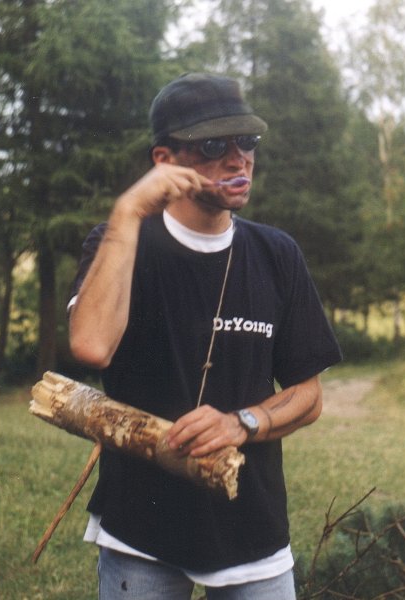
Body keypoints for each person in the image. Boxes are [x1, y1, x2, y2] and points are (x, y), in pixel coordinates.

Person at [68, 72, 342, 600]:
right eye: (214, 146)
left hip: (251, 527)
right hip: (140, 529)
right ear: (164, 160)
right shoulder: (118, 243)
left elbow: (308, 396)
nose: (238, 160)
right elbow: (92, 346)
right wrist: (128, 212)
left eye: (247, 141)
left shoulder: (276, 254)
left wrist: (243, 422)